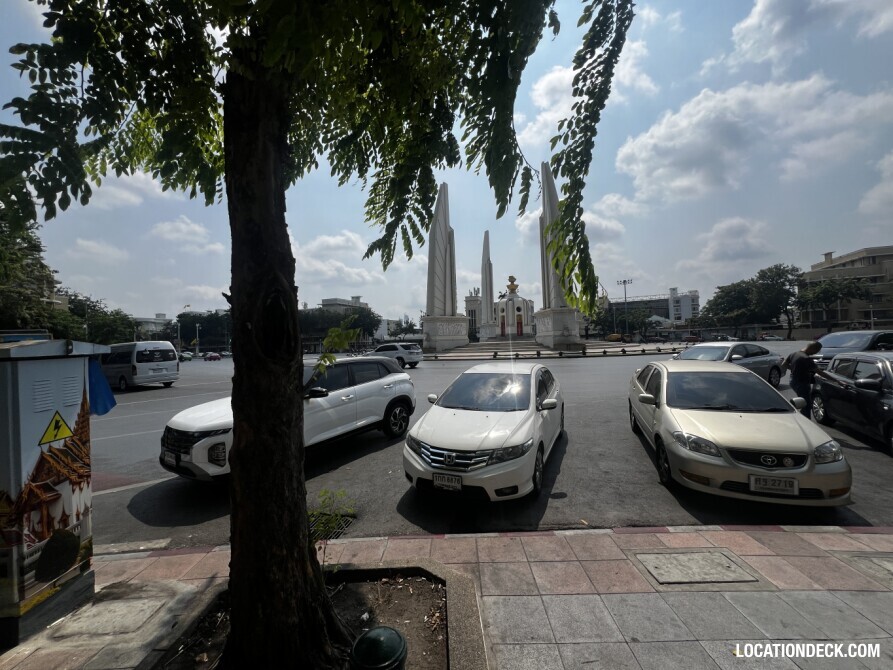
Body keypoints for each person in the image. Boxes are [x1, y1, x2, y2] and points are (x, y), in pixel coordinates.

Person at [786, 341, 835, 418]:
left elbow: (784, 365)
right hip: (802, 383)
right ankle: (806, 422)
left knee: (803, 402)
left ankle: (802, 418)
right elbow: (820, 372)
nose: (815, 353)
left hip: (793, 380)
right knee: (806, 405)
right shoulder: (806, 358)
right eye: (816, 351)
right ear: (812, 348)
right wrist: (836, 380)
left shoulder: (794, 354)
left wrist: (795, 369)